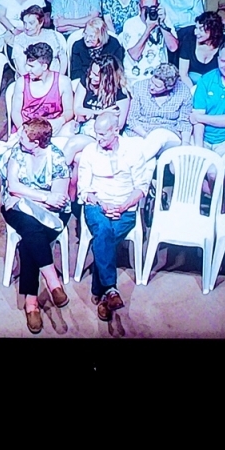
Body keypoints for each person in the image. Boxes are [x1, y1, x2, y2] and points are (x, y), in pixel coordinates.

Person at [77, 110, 153, 322]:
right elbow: (85, 190)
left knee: (104, 237)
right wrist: (103, 203)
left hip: (125, 208)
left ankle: (102, 294)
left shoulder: (133, 152)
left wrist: (122, 206)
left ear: (116, 130)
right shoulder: (89, 153)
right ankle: (111, 289)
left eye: (103, 134)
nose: (98, 139)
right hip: (97, 206)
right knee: (103, 230)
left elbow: (141, 188)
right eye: (97, 134)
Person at [0, 117, 72, 334]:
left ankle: (31, 303)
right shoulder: (17, 152)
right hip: (17, 208)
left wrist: (26, 197)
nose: (19, 138)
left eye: (24, 137)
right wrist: (42, 196)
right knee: (31, 230)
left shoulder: (57, 159)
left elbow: (58, 200)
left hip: (50, 214)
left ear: (38, 142)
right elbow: (12, 186)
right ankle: (53, 281)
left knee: (30, 241)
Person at [9, 43, 74, 138]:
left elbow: (69, 110)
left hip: (53, 129)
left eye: (31, 66)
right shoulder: (22, 83)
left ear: (44, 67)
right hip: (27, 129)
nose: (27, 69)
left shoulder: (63, 82)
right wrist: (24, 130)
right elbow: (15, 112)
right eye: (27, 65)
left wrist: (60, 121)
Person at [120, 0, 178, 82]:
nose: (149, 11)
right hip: (137, 77)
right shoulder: (130, 24)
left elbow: (173, 47)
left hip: (160, 77)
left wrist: (161, 24)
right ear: (139, 8)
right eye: (146, 8)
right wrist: (148, 29)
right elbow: (134, 55)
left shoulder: (164, 21)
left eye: (153, 8)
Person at [126, 63, 193, 142]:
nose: (151, 87)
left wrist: (185, 144)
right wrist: (147, 137)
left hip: (168, 133)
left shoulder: (184, 91)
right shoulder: (139, 87)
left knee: (161, 137)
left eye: (157, 86)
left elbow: (184, 122)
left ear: (169, 88)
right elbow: (132, 119)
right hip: (140, 133)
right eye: (151, 82)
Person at [73, 55, 130, 136]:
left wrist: (89, 114)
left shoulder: (121, 92)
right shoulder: (86, 81)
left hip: (104, 132)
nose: (90, 76)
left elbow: (119, 124)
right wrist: (101, 112)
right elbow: (77, 109)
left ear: (107, 77)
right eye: (91, 72)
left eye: (95, 75)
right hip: (83, 125)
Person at [69, 16, 124, 84]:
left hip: (109, 82)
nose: (87, 39)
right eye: (85, 34)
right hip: (85, 83)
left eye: (91, 36)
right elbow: (76, 73)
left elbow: (118, 70)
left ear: (101, 36)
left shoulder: (114, 44)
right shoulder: (78, 46)